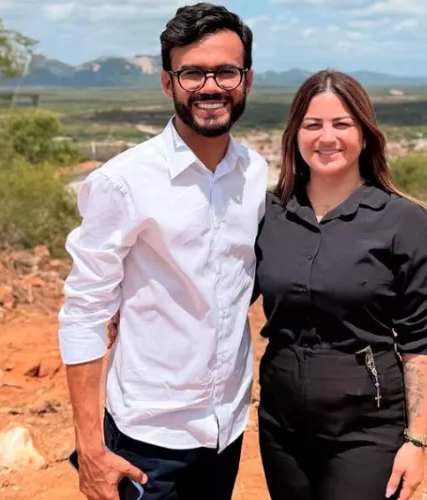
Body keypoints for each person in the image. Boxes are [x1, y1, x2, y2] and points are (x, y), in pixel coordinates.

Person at [57, 3, 267, 500]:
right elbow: (84, 312)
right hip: (146, 438)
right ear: (168, 83)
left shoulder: (256, 175)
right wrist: (89, 448)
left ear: (248, 80)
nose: (210, 87)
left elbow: (242, 280)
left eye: (225, 72)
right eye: (192, 73)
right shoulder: (123, 182)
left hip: (228, 427)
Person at [252, 70, 427, 500]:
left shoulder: (404, 220)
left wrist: (415, 441)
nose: (327, 137)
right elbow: (220, 293)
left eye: (342, 124)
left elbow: (421, 339)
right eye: (312, 125)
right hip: (281, 426)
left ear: (365, 133)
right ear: (295, 135)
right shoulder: (269, 213)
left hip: (366, 427)